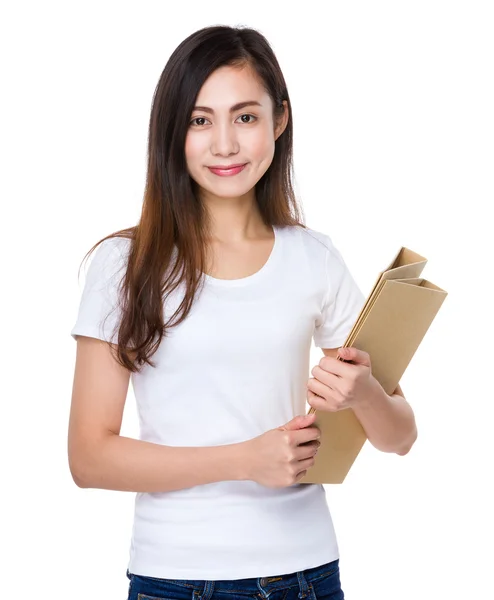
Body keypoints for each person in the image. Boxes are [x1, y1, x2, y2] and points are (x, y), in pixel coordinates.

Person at [68, 25, 417, 600]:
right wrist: (245, 460)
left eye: (246, 117)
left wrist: (365, 396)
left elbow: (400, 437)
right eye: (200, 120)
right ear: (172, 131)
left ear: (279, 121)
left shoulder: (314, 259)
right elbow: (89, 457)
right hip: (173, 578)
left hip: (304, 574)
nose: (225, 144)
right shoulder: (124, 264)